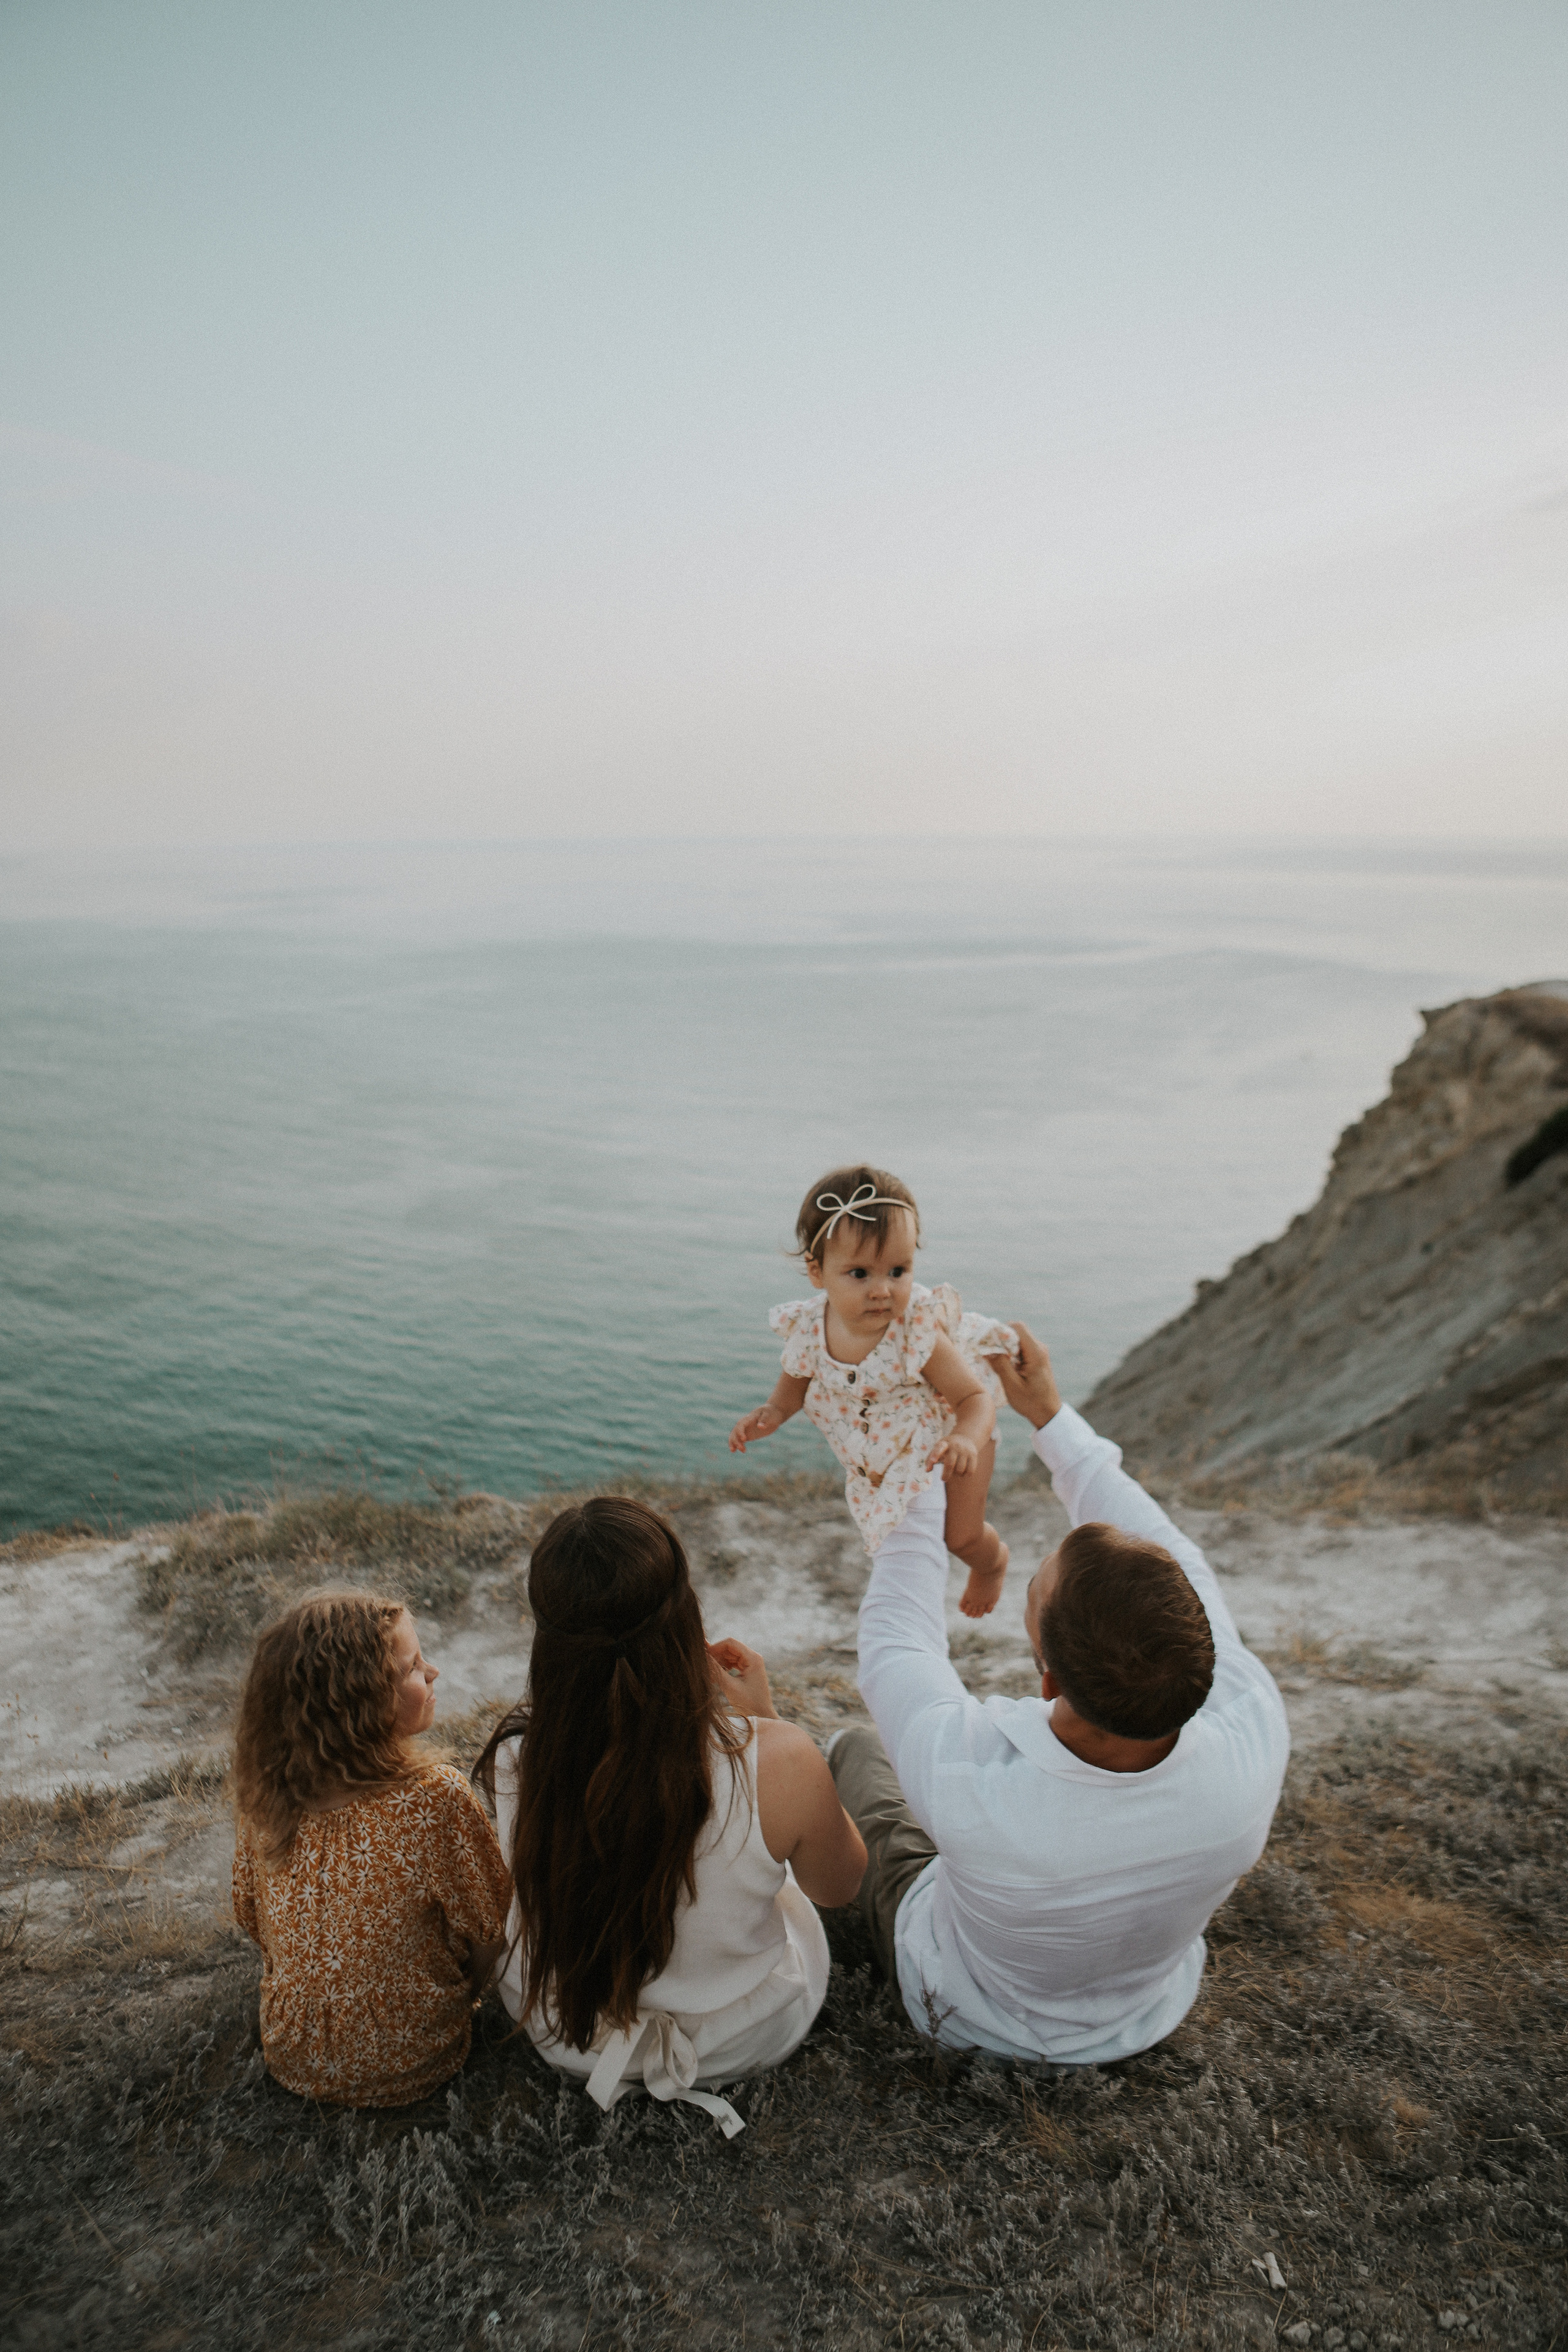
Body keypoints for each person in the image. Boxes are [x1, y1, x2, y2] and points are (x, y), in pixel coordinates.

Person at [830, 1322, 1290, 2064]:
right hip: (1145, 2013)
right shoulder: (1252, 1723)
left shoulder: (968, 1779)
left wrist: (917, 1482)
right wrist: (1047, 1413)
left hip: (964, 2012)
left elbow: (895, 1644)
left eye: (1033, 1589)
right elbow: (1177, 1553)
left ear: (1044, 1677)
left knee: (852, 1748)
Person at [474, 1496, 865, 2136]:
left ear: (548, 1639)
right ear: (686, 1619)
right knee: (770, 1853)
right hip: (741, 2038)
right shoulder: (778, 1759)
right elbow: (840, 1886)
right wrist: (766, 1726)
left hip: (569, 2035)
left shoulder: (514, 1762)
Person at [232, 1589, 511, 2108]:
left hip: (293, 2056)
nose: (434, 1673)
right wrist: (466, 1994)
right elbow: (490, 1929)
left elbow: (252, 1917)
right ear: (361, 1701)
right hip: (415, 2057)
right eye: (412, 1667)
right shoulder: (434, 1799)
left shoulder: (268, 1794)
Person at [729, 1164, 1020, 1616]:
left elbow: (974, 1399)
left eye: (899, 1270)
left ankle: (994, 1564)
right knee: (911, 1530)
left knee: (960, 1536)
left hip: (953, 1435)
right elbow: (790, 1393)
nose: (882, 1290)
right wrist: (765, 1417)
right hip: (887, 1452)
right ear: (817, 1272)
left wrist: (966, 1437)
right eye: (860, 1274)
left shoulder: (915, 1332)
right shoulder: (808, 1329)